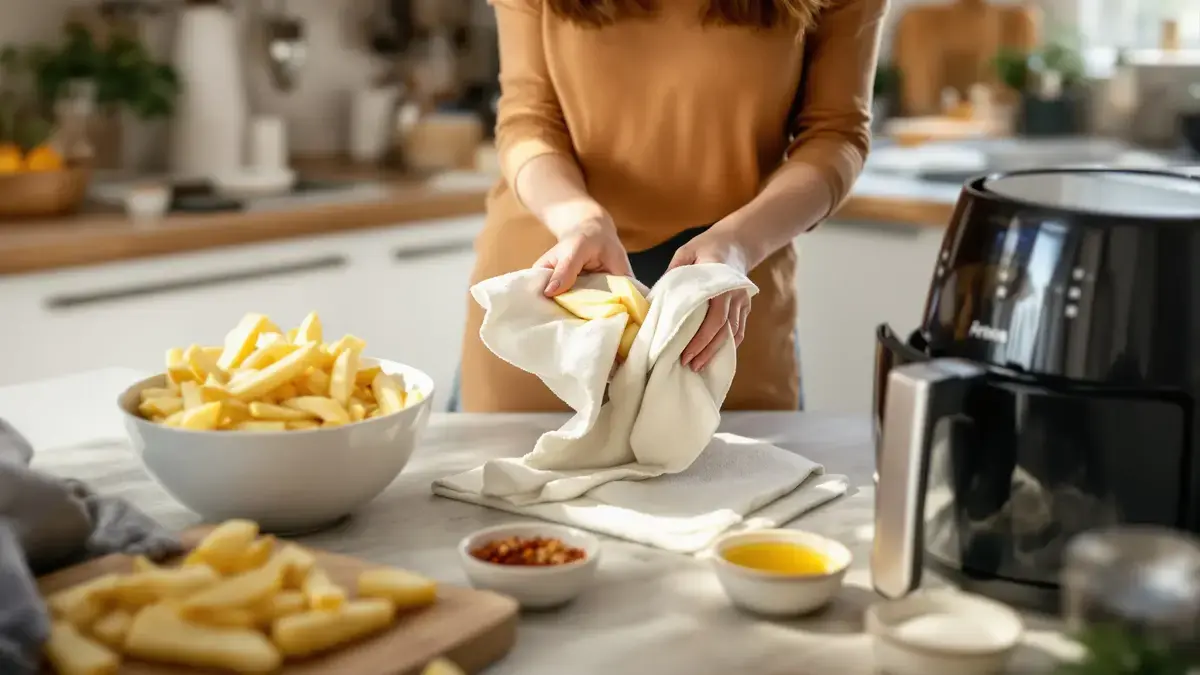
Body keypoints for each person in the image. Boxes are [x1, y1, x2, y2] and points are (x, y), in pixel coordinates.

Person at [451, 0, 886, 413]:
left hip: (725, 298)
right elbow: (528, 118)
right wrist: (579, 219)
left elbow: (836, 134)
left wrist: (739, 242)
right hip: (557, 282)